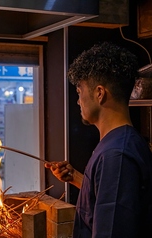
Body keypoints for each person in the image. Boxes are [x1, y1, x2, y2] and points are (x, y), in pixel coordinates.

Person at [45, 42, 152, 238]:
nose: (78, 101)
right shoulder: (120, 143)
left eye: (79, 92)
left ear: (100, 93)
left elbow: (111, 230)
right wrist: (78, 178)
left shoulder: (116, 156)